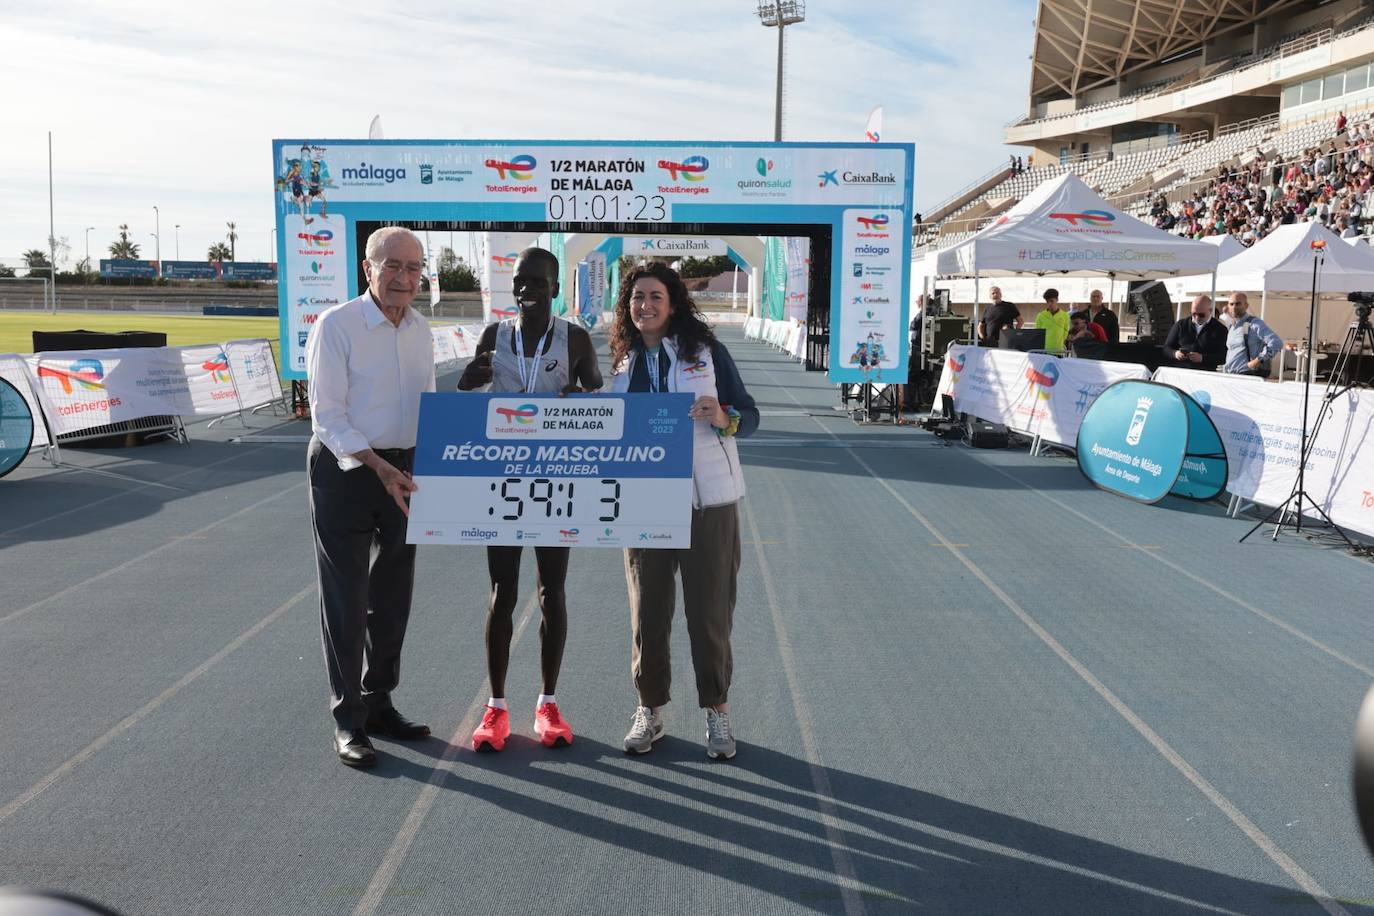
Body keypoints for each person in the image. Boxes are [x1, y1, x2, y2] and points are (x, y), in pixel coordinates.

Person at [608, 262, 759, 760]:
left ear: (672, 302)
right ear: (627, 306)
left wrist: (722, 415)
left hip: (707, 503)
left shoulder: (706, 352)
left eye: (654, 296)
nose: (645, 306)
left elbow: (747, 414)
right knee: (647, 613)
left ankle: (716, 710)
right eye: (636, 297)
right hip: (644, 500)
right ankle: (649, 709)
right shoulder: (621, 362)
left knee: (709, 613)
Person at [457, 247, 603, 752]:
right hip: (502, 482)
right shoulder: (495, 336)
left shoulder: (576, 338)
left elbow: (598, 398)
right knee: (502, 592)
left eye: (538, 282)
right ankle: (496, 708)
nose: (527, 290)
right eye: (520, 282)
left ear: (555, 288)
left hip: (557, 482)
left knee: (551, 593)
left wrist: (582, 400)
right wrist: (467, 384)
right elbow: (466, 393)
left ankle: (548, 701)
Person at [306, 226, 435, 768]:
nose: (403, 278)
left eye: (413, 268)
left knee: (394, 595)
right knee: (347, 597)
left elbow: (425, 407)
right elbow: (327, 416)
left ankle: (380, 702)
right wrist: (379, 466)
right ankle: (348, 719)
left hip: (404, 472)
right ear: (368, 269)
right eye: (393, 266)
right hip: (349, 470)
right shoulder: (336, 327)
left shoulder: (423, 329)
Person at [1223, 292, 1283, 376]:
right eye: (1231, 304)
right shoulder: (1232, 327)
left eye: (1238, 304)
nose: (1234, 307)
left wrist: (1258, 360)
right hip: (1230, 375)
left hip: (1247, 375)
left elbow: (1276, 343)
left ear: (1246, 306)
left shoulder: (1254, 323)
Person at [1161, 294, 1227, 370]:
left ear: (1210, 311)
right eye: (1193, 314)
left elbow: (1223, 356)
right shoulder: (1181, 325)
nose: (1197, 317)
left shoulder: (1220, 329)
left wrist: (1202, 358)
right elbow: (1166, 348)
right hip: (1180, 371)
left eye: (1201, 315)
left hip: (1204, 373)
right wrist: (1175, 354)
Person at [903, 295, 925, 412]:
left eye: (917, 301)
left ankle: (911, 402)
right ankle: (912, 402)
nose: (916, 303)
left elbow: (913, 325)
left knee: (912, 376)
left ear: (921, 302)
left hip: (918, 348)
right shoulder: (922, 313)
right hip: (916, 347)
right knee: (913, 376)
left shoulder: (923, 314)